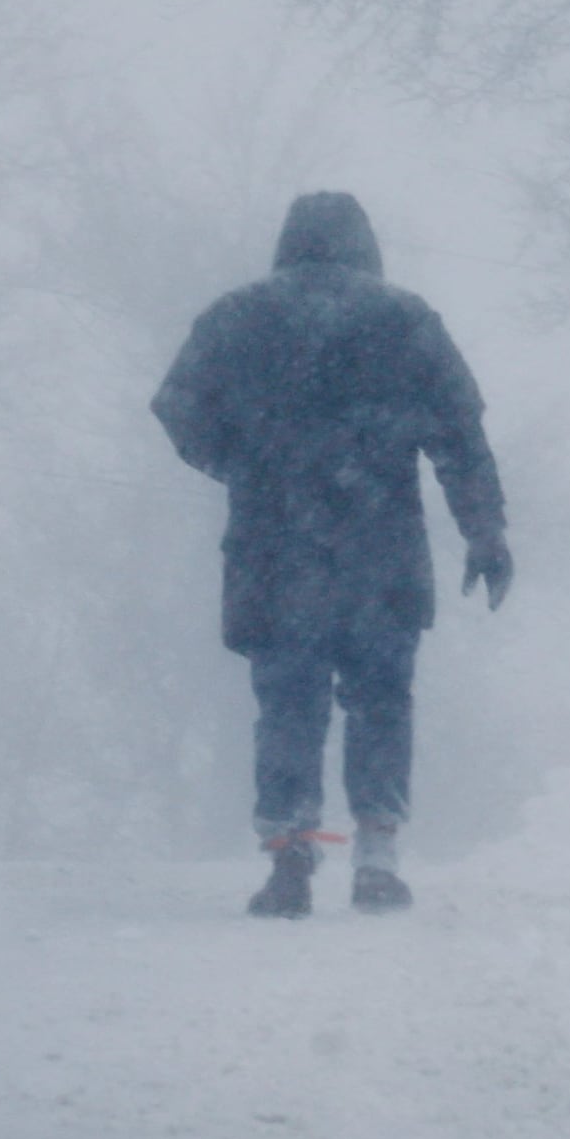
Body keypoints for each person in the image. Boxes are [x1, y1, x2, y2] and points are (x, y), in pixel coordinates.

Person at [152, 189, 510, 918]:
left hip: (275, 548)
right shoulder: (405, 320)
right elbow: (459, 434)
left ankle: (291, 854)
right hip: (381, 548)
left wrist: (239, 460)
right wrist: (485, 531)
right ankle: (377, 855)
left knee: (288, 702)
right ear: (364, 245)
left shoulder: (235, 317)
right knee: (382, 699)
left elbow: (178, 407)